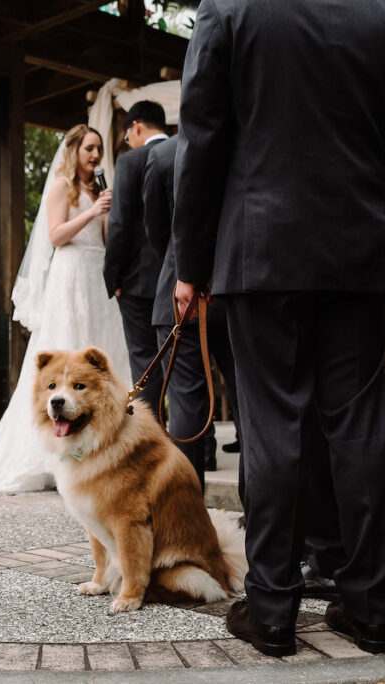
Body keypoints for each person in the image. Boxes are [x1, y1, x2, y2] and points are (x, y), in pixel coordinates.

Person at [171, 0, 385, 657]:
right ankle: (372, 609)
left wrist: (192, 264)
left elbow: (202, 138)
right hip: (361, 250)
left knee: (272, 427)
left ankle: (272, 611)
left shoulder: (229, 10)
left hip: (260, 252)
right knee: (361, 426)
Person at [0, 124, 131, 493]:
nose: (96, 156)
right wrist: (90, 211)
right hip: (70, 275)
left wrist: (106, 213)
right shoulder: (60, 187)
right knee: (67, 348)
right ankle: (55, 452)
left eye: (99, 149)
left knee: (102, 353)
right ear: (73, 151)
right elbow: (56, 235)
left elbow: (103, 239)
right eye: (89, 149)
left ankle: (105, 444)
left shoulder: (95, 189)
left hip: (95, 276)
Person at [142, 133, 242, 493]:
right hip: (237, 289)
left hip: (179, 290)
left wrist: (179, 265)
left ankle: (186, 512)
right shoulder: (243, 143)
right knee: (250, 402)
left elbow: (154, 229)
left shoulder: (165, 154)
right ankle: (263, 516)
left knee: (185, 403)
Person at [103, 100, 167, 420]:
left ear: (136, 127)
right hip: (190, 278)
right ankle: (202, 448)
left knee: (145, 363)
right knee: (188, 365)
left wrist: (113, 277)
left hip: (140, 282)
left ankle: (152, 441)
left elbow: (120, 225)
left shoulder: (131, 161)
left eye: (128, 135)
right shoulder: (189, 153)